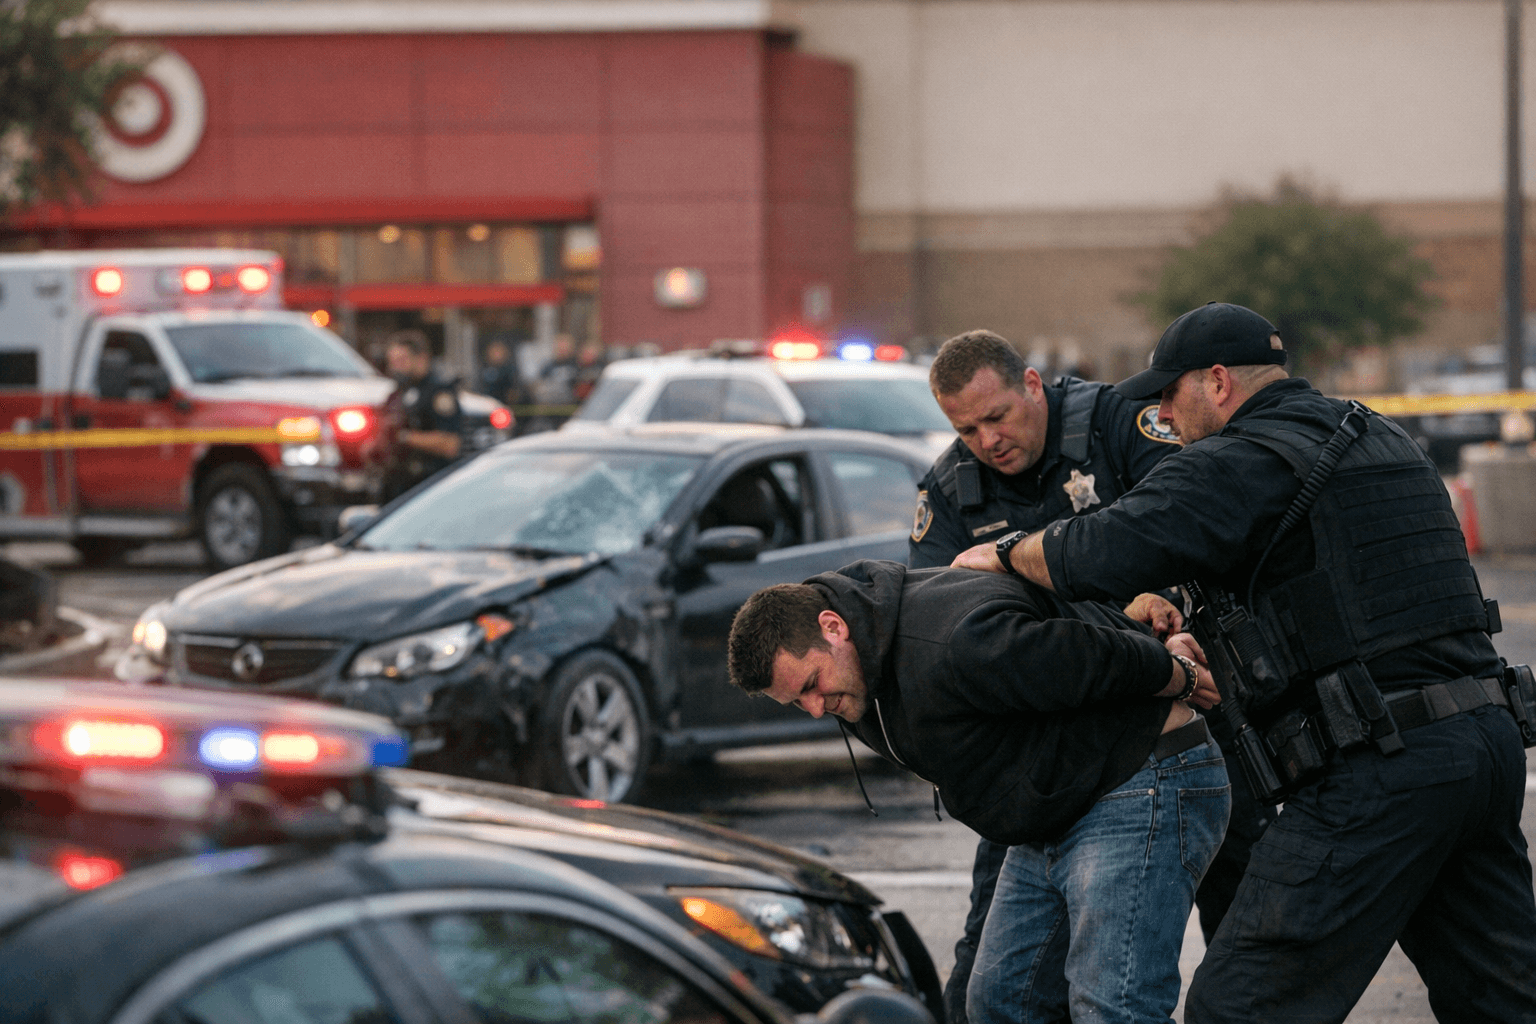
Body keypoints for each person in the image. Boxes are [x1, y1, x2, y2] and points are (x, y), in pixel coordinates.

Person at [959, 302, 1536, 1023]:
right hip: (1481, 749)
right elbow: (1341, 592)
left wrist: (1004, 553)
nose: (1162, 414)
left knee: (1240, 1007)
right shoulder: (1376, 435)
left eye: (1169, 393)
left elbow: (1114, 541)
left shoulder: (1246, 456)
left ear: (1220, 382)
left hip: (1381, 767)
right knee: (1502, 1001)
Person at [911, 329, 1262, 1024]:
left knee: (1251, 929)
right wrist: (1108, 602)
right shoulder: (952, 489)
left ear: (1033, 385)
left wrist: (1155, 595)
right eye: (966, 428)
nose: (987, 439)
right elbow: (947, 622)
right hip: (1050, 753)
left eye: (998, 416)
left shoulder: (1119, 425)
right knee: (992, 974)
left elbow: (1198, 527)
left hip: (1189, 723)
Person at [727, 561, 1230, 1024]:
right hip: (1057, 802)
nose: (816, 708)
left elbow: (1080, 651)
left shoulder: (952, 640)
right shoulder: (859, 670)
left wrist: (1174, 672)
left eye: (813, 684)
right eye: (798, 702)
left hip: (1140, 776)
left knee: (1113, 1006)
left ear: (833, 627)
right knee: (1002, 1001)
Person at [381, 329, 462, 501]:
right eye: (392, 362)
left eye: (401, 360)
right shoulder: (396, 394)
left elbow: (450, 444)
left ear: (421, 358)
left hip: (429, 486)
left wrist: (404, 437)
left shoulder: (439, 392)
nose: (395, 367)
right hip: (398, 486)